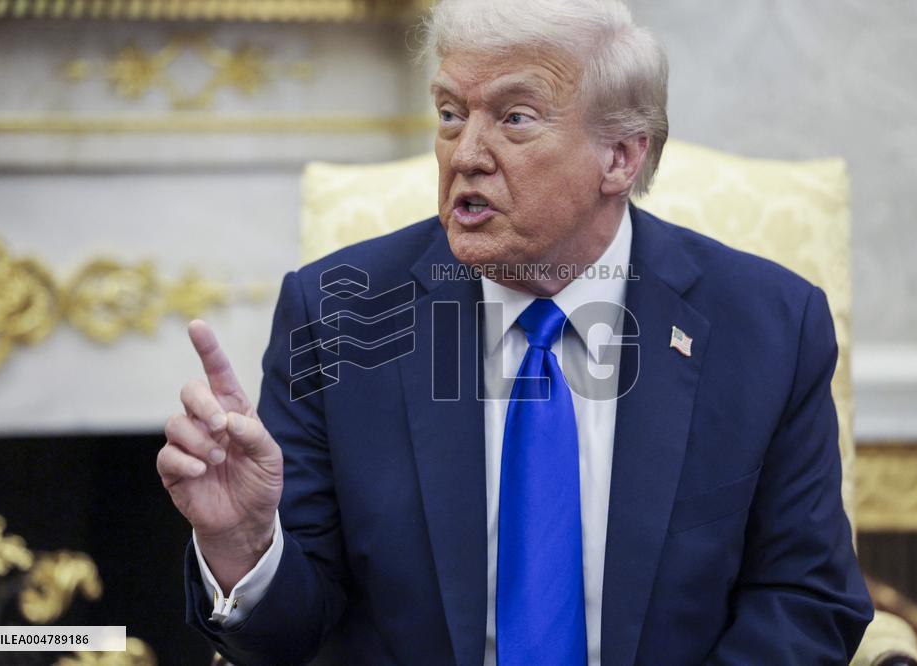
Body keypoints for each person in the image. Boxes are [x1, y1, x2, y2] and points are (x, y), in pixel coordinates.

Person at [156, 0, 874, 663]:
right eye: (448, 114)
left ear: (620, 156)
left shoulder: (767, 328)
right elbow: (290, 637)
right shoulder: (340, 316)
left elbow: (807, 600)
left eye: (515, 118)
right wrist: (244, 543)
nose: (465, 154)